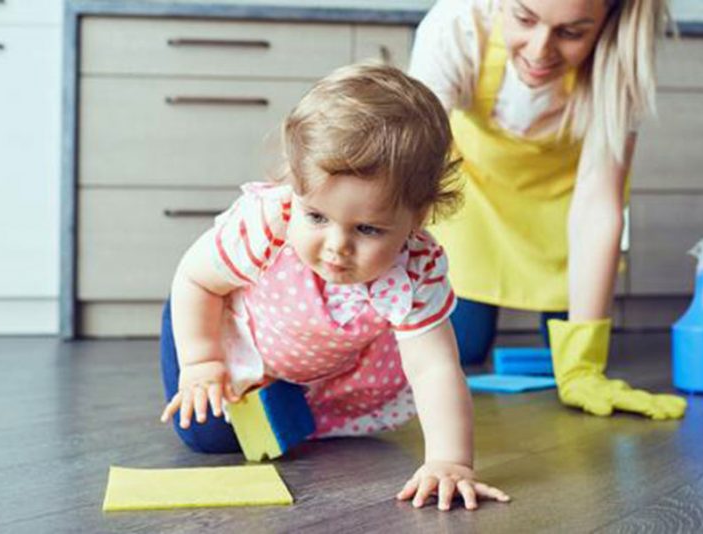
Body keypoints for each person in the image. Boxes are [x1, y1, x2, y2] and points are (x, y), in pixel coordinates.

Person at [158, 62, 510, 511]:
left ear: (417, 218)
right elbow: (195, 280)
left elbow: (435, 368)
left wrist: (451, 462)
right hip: (219, 322)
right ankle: (255, 384)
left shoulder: (416, 270)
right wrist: (202, 362)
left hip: (318, 358)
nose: (336, 247)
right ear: (294, 185)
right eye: (317, 218)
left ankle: (292, 395)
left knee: (304, 429)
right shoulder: (267, 224)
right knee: (208, 436)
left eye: (367, 229)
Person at [410, 0, 687, 419]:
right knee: (459, 346)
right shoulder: (455, 27)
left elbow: (599, 206)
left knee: (569, 356)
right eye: (524, 18)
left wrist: (584, 366)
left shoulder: (621, 56)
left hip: (565, 203)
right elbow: (410, 168)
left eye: (572, 33)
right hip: (474, 197)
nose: (540, 50)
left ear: (608, 22)